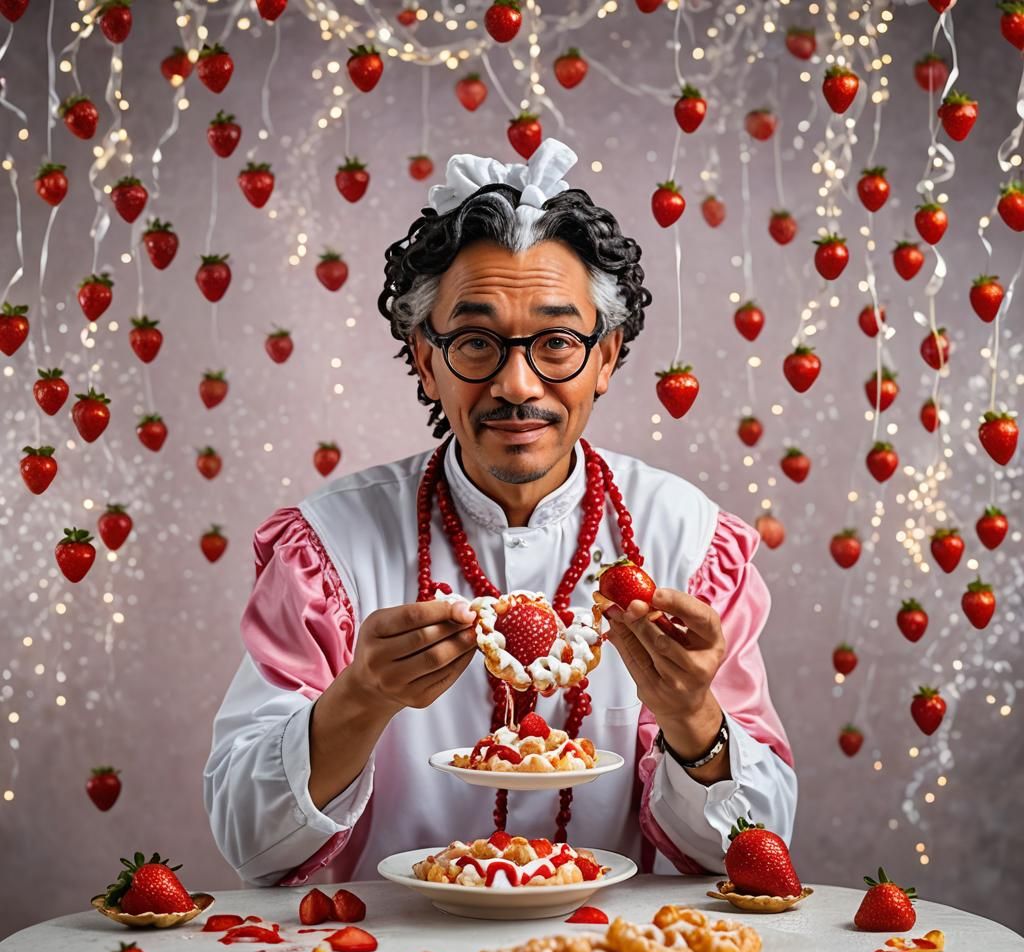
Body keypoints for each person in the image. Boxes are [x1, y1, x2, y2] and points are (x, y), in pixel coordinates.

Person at [203, 138, 796, 888]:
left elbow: (756, 855)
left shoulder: (688, 541)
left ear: (607, 356)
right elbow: (248, 843)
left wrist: (692, 718)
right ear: (425, 357)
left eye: (556, 342)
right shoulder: (328, 547)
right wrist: (362, 697)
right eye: (477, 342)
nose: (518, 383)